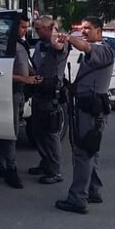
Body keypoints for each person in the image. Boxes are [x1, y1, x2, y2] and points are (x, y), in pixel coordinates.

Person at [54, 17, 114, 214]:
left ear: (99, 30)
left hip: (91, 110)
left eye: (88, 28)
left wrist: (69, 38)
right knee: (90, 152)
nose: (84, 32)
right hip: (88, 108)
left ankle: (78, 199)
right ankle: (93, 191)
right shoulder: (96, 48)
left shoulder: (102, 50)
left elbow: (84, 48)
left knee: (83, 153)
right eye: (82, 28)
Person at [0, 16, 41, 189]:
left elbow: (24, 64)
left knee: (10, 131)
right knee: (12, 132)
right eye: (22, 27)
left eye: (26, 27)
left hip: (19, 92)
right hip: (7, 92)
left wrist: (33, 74)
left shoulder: (20, 43)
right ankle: (11, 169)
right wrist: (25, 79)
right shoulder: (4, 43)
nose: (24, 30)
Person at [28, 15, 70, 185]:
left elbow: (58, 46)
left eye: (38, 29)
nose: (36, 32)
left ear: (49, 28)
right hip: (39, 91)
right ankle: (45, 162)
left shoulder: (59, 44)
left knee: (51, 135)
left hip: (51, 94)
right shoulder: (40, 45)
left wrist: (54, 30)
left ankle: (55, 171)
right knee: (38, 132)